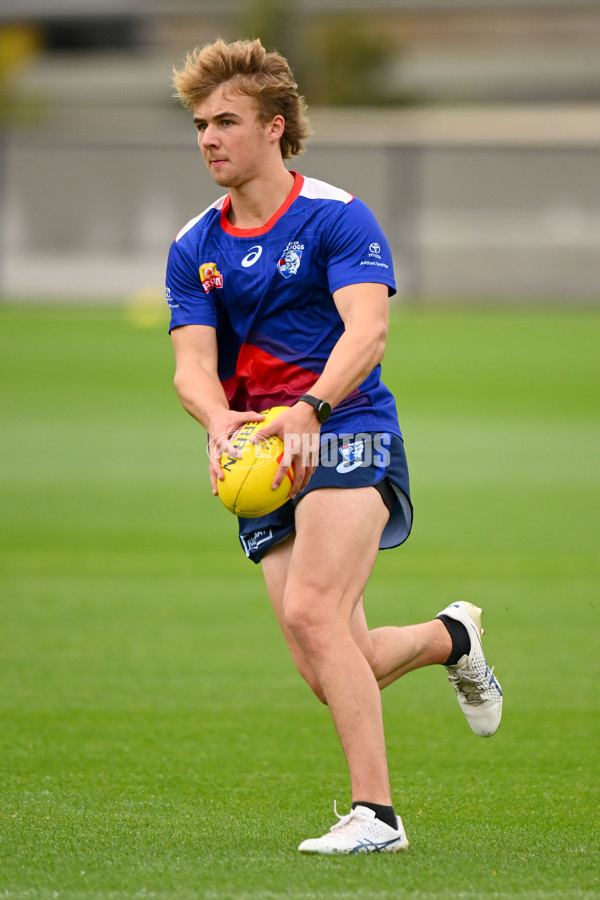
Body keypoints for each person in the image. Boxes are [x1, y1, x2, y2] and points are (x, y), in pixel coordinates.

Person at [166, 37, 503, 855]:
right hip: (263, 456)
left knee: (314, 610)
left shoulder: (335, 215)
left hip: (347, 427)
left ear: (274, 128)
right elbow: (192, 368)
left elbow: (369, 331)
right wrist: (218, 423)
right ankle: (450, 638)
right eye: (201, 124)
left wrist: (312, 407)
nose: (209, 138)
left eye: (226, 122)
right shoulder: (194, 246)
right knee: (333, 667)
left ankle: (377, 818)